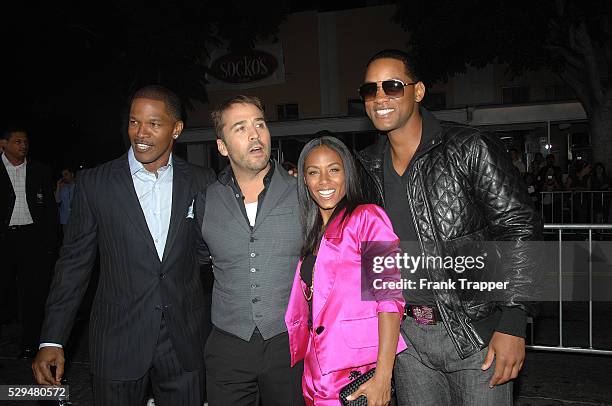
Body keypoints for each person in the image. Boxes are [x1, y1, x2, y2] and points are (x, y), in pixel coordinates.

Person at [355, 49, 540, 405]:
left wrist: (514, 320)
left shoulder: (468, 147)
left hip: (475, 335)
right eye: (370, 90)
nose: (380, 98)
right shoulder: (367, 167)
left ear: (418, 91)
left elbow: (520, 229)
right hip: (406, 340)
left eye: (392, 86)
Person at [32, 85, 216, 406]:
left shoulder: (201, 180)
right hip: (118, 340)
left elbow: (207, 251)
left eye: (153, 124)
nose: (140, 133)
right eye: (134, 122)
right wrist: (52, 339)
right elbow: (74, 265)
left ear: (177, 129)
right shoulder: (95, 183)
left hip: (183, 341)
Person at [196, 95, 304, 405]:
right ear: (222, 146)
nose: (255, 135)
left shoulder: (303, 193)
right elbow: (200, 257)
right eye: (241, 128)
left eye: (260, 124)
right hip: (228, 346)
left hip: (288, 343)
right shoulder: (206, 201)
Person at [285, 136, 406, 405]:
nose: (324, 181)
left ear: (347, 173)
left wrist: (383, 376)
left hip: (356, 374)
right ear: (304, 179)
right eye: (313, 172)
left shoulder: (367, 218)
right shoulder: (313, 232)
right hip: (316, 371)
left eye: (334, 170)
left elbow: (389, 300)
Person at [0, 128, 57, 359]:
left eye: (25, 141)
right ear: (4, 143)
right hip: (4, 239)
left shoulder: (39, 170)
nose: (23, 145)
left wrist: (51, 243)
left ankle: (30, 344)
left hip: (31, 239)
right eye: (17, 141)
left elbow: (51, 210)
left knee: (33, 294)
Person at [55, 167, 76, 233]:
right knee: (66, 239)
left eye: (66, 174)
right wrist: (58, 187)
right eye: (63, 175)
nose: (64, 177)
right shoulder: (62, 187)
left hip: (76, 218)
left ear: (72, 174)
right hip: (65, 219)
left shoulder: (78, 185)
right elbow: (57, 200)